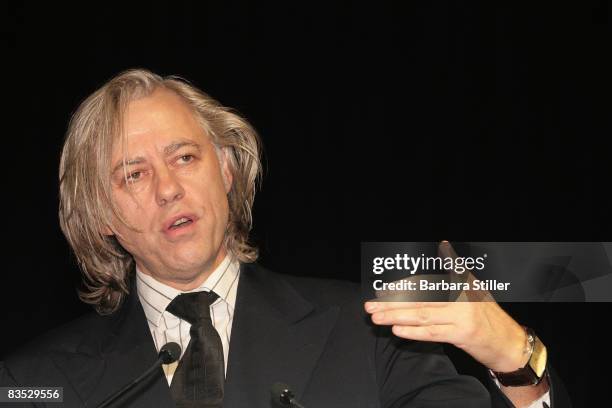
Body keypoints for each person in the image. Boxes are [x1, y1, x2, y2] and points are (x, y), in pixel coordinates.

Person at [0, 69, 569, 407]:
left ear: (226, 171)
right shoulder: (34, 384)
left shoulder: (368, 333)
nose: (168, 188)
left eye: (185, 157)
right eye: (134, 174)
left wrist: (516, 360)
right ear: (101, 214)